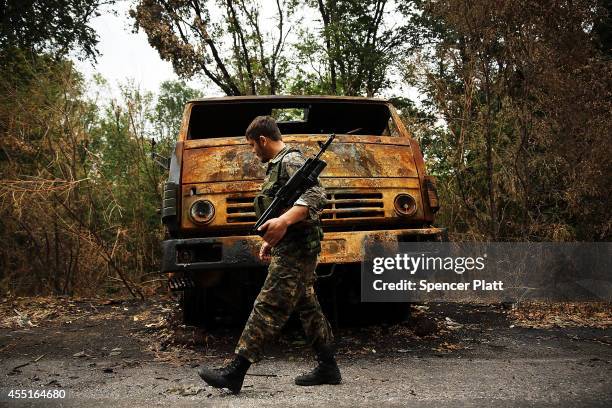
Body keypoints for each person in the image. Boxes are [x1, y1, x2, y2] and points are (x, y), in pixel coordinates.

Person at [197, 115, 341, 394]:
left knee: (269, 303)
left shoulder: (290, 160)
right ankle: (328, 366)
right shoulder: (278, 165)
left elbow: (316, 196)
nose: (254, 152)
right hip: (291, 245)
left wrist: (284, 223)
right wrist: (273, 238)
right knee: (307, 306)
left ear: (263, 140)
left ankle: (236, 371)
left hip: (298, 248)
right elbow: (286, 206)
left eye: (253, 146)